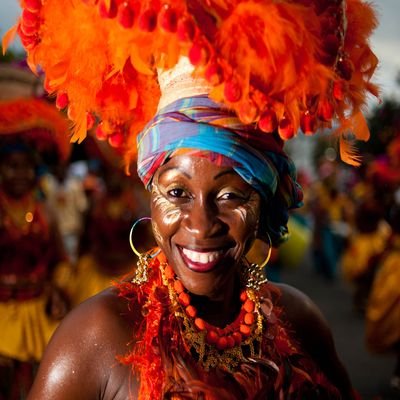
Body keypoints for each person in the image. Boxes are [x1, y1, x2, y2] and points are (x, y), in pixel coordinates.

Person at [6, 0, 379, 398]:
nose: (201, 225)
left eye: (231, 194)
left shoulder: (301, 323)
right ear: (150, 192)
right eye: (177, 193)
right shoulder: (95, 339)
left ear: (265, 201)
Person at [0, 63, 71, 399]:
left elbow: (59, 257)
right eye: (11, 166)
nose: (19, 174)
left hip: (39, 319)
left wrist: (57, 289)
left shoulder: (45, 211)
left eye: (26, 167)